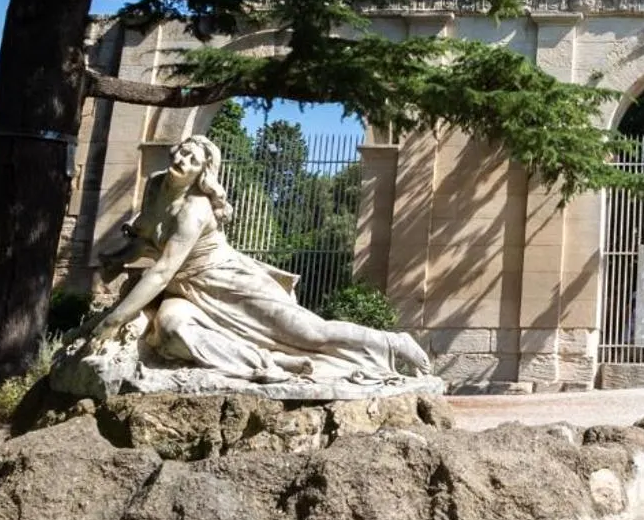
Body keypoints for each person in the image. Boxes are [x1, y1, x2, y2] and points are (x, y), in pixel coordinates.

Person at [90, 134, 431, 384]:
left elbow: (162, 271)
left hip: (227, 283)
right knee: (172, 331)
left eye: (193, 161)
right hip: (186, 292)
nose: (183, 162)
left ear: (202, 174)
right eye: (183, 154)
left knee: (312, 333)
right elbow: (147, 235)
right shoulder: (156, 185)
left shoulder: (193, 211)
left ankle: (393, 341)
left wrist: (113, 320)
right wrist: (118, 258)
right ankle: (272, 363)